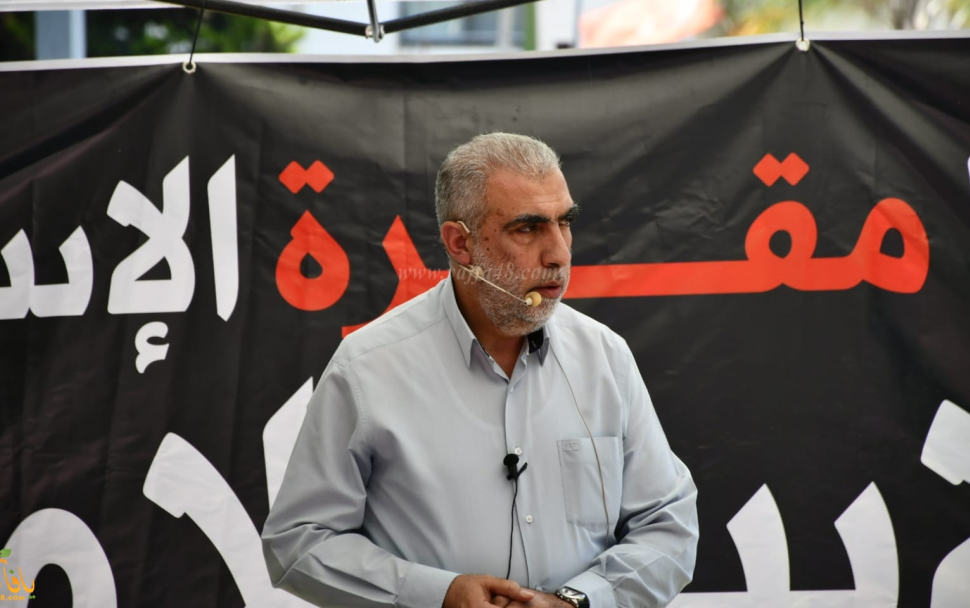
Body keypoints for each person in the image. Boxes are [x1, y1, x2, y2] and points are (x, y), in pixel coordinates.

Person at [262, 133, 698, 608]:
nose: (559, 253)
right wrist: (439, 595)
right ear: (460, 243)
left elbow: (668, 524)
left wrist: (576, 601)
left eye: (565, 222)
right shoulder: (368, 367)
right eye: (528, 228)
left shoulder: (604, 356)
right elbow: (298, 543)